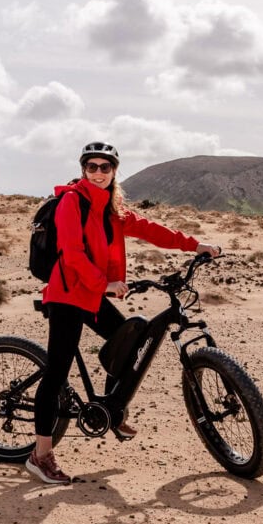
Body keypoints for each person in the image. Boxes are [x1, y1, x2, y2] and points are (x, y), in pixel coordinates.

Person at [26, 142, 221, 484]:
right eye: (92, 166)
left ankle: (112, 409)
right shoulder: (72, 201)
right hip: (68, 293)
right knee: (57, 372)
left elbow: (149, 229)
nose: (98, 172)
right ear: (83, 170)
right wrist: (104, 284)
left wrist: (195, 245)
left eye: (105, 167)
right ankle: (40, 455)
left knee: (130, 338)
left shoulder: (111, 208)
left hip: (92, 293)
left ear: (114, 171)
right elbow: (71, 253)